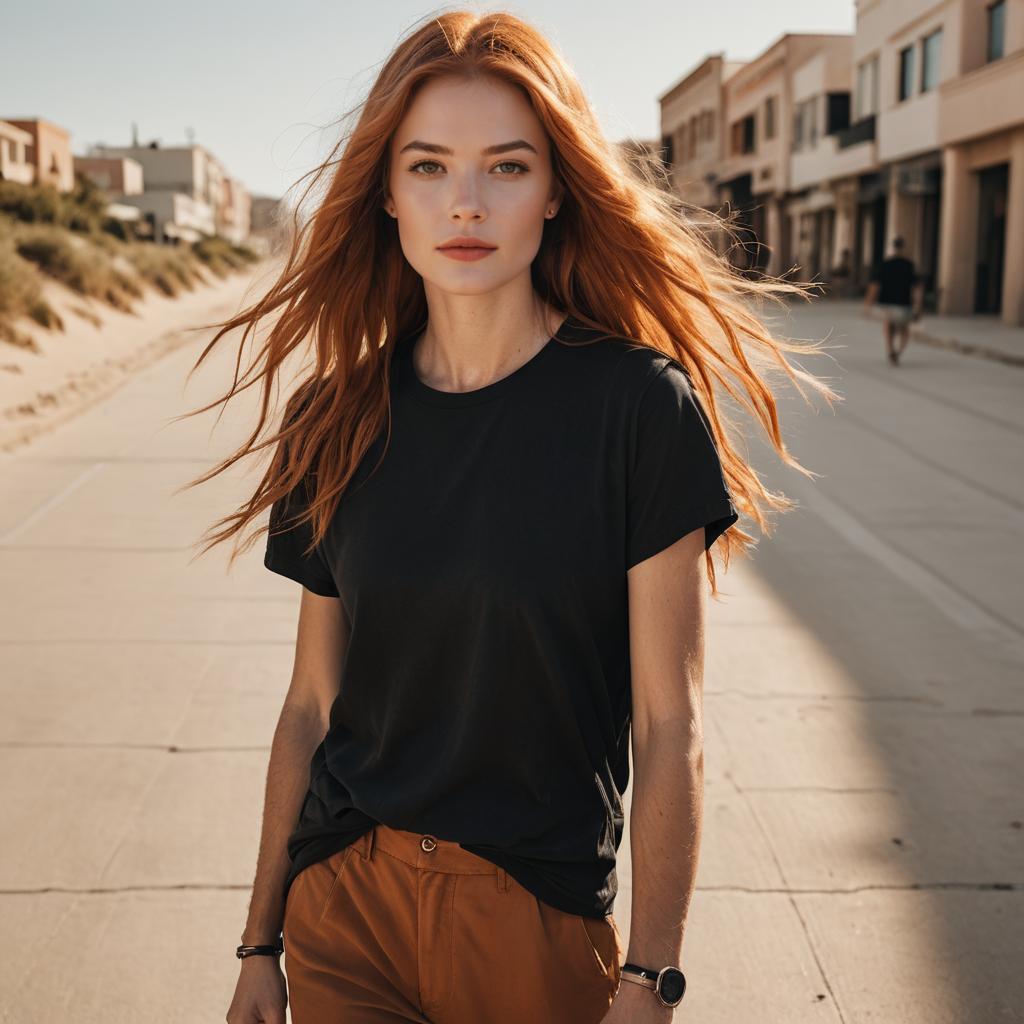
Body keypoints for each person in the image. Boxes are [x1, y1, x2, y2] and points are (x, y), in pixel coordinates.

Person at [184, 11, 838, 1023]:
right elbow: (311, 703)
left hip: (532, 922)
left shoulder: (636, 407)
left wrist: (649, 978)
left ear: (555, 194)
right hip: (344, 909)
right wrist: (259, 939)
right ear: (388, 195)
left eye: (506, 167)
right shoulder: (336, 414)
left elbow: (671, 725)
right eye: (430, 167)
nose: (467, 203)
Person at [863, 237, 925, 366]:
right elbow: (917, 287)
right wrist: (918, 306)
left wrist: (868, 304)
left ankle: (890, 349)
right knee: (904, 328)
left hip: (887, 302)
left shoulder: (885, 264)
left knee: (889, 325)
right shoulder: (909, 265)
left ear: (893, 247)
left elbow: (874, 285)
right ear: (903, 248)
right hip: (904, 302)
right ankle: (899, 351)